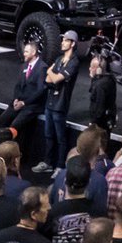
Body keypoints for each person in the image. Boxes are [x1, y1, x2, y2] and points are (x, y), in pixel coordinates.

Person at [39, 30, 80, 173]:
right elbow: (47, 79)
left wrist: (51, 72)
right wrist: (52, 74)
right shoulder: (59, 59)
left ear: (72, 43)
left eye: (66, 40)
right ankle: (48, 162)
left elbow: (55, 78)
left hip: (60, 104)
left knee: (60, 137)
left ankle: (60, 165)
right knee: (48, 134)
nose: (62, 42)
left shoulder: (74, 62)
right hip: (50, 101)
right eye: (62, 40)